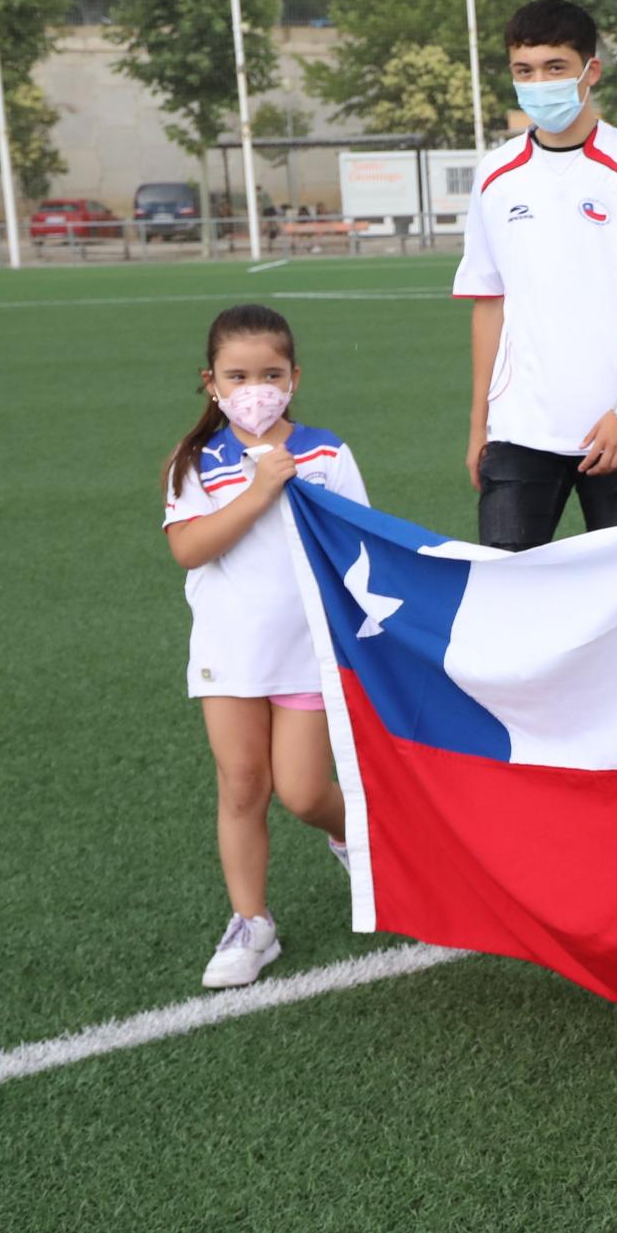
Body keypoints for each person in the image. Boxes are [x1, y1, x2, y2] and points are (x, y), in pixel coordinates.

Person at [454, 0, 617, 552]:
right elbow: (489, 303)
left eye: (555, 68)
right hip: (519, 431)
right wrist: (480, 425)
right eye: (525, 70)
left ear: (589, 71)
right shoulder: (495, 174)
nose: (538, 83)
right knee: (508, 600)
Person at [162, 305, 370, 988]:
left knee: (306, 793)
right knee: (243, 786)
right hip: (229, 654)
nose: (257, 388)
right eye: (239, 375)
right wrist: (257, 493)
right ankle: (252, 924)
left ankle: (361, 841)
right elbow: (190, 548)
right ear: (211, 382)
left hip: (306, 651)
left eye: (271, 374)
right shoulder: (195, 462)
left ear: (294, 377)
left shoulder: (325, 452)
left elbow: (359, 546)